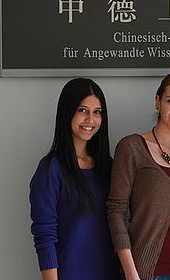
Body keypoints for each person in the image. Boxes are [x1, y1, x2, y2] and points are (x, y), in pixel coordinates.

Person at [107, 71, 170, 280]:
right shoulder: (131, 147)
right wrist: (131, 274)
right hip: (146, 274)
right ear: (158, 102)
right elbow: (116, 212)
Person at [29, 78, 120, 280]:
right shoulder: (50, 169)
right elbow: (45, 235)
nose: (90, 119)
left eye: (97, 112)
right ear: (67, 112)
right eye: (82, 110)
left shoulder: (109, 166)